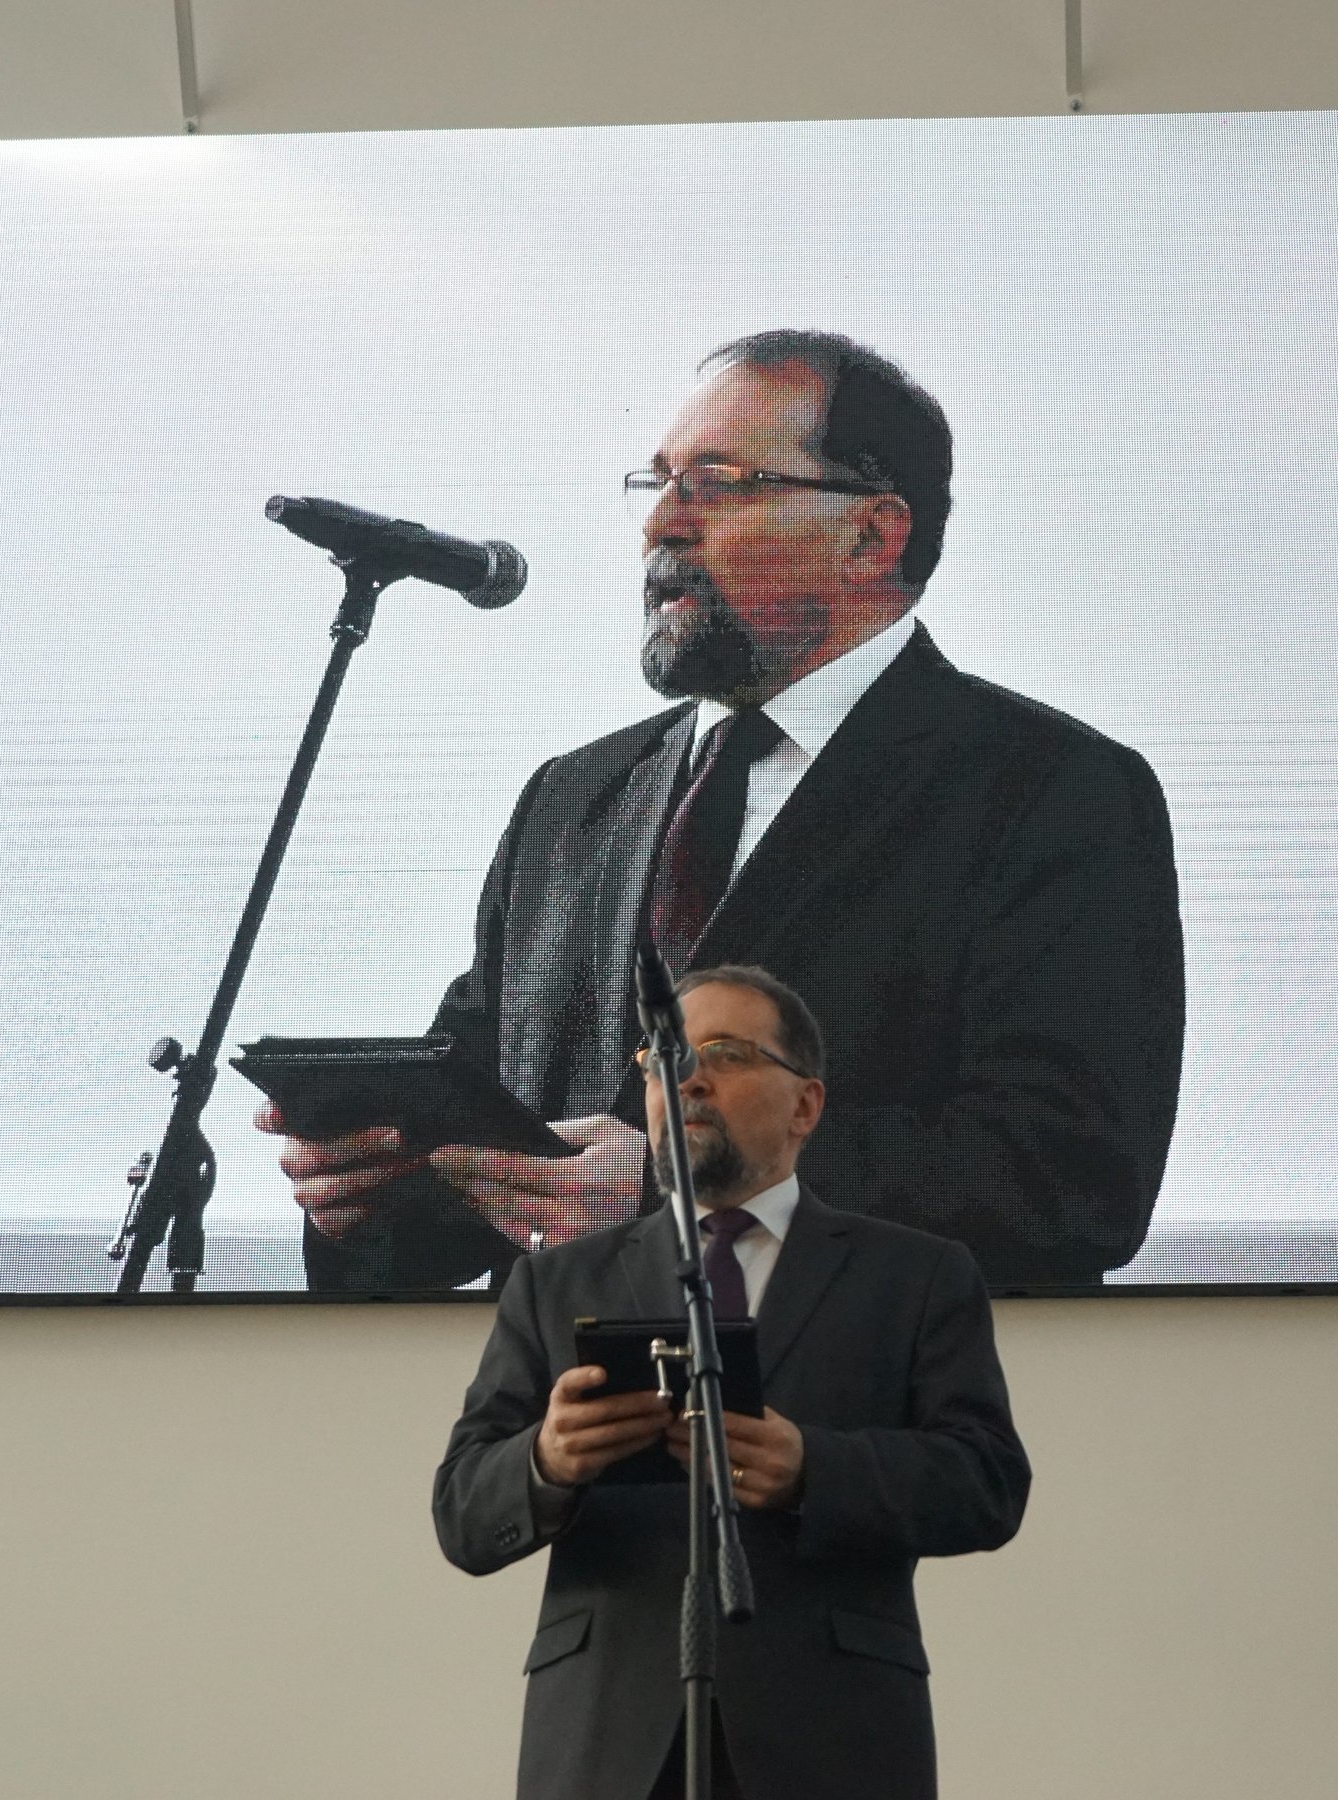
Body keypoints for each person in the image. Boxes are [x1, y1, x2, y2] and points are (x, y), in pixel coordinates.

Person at [264, 329, 1183, 1290]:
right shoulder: (570, 802)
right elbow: (504, 1158)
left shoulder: (1051, 791)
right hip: (562, 1380)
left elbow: (1070, 1177)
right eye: (658, 483)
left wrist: (683, 1187)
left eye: (719, 482)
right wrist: (373, 1191)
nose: (663, 524)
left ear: (872, 534)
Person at [432, 966, 1030, 1800]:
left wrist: (812, 1469)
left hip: (834, 1738)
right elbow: (462, 1513)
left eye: (725, 1054)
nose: (689, 1079)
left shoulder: (917, 1276)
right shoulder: (554, 1282)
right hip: (607, 1739)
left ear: (805, 1106)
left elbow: (987, 1484)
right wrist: (548, 1460)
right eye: (664, 1059)